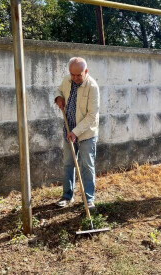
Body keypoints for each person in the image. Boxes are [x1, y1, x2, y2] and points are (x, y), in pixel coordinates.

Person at [54, 57, 100, 209]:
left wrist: (76, 132)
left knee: (87, 166)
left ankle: (88, 200)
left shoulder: (92, 86)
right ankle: (67, 196)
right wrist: (58, 97)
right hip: (68, 130)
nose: (74, 78)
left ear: (85, 71)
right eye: (72, 74)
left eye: (78, 75)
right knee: (68, 164)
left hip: (86, 133)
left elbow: (92, 116)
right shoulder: (68, 80)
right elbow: (59, 89)